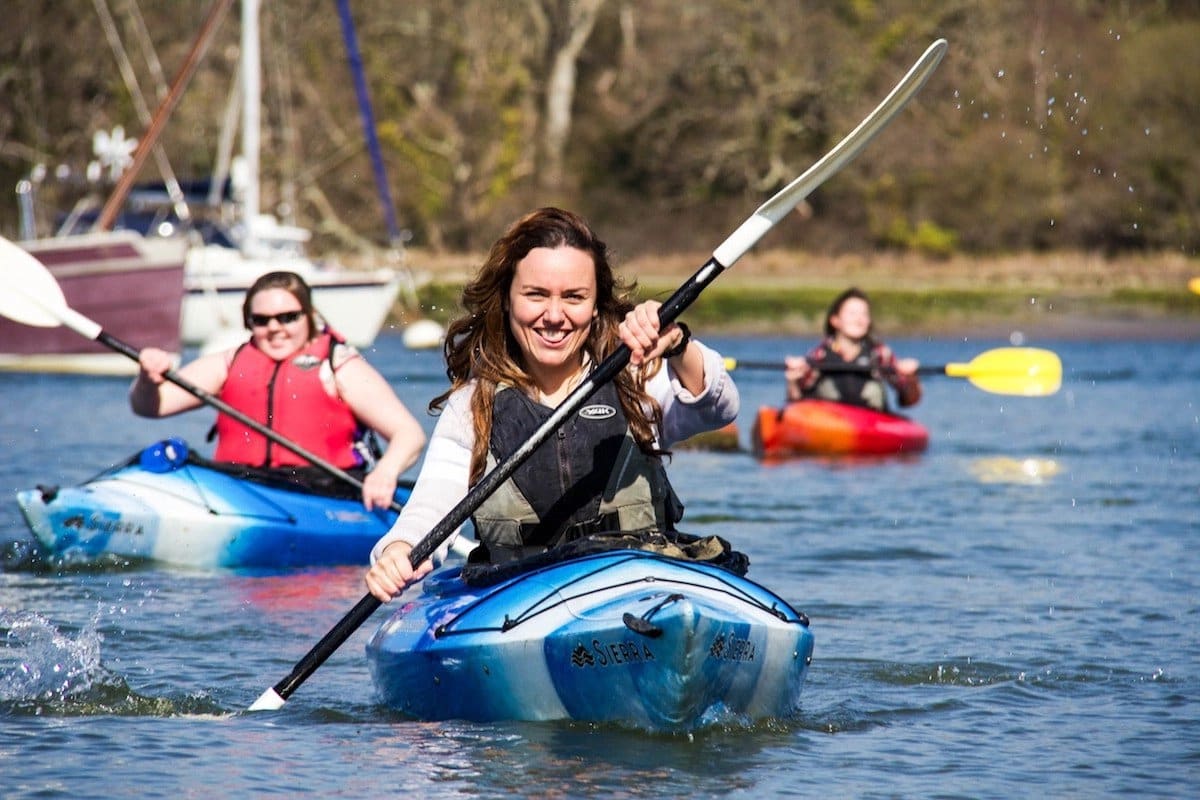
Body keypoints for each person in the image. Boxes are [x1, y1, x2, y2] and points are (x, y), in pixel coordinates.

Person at [364, 207, 739, 602]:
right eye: (536, 295)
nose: (555, 316)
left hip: (638, 596)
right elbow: (430, 506)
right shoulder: (472, 407)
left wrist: (678, 345)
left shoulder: (637, 378)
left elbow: (719, 407)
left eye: (574, 298)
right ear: (507, 300)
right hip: (519, 606)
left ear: (596, 306)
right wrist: (397, 552)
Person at [129, 270, 426, 510]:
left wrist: (385, 473)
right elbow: (152, 406)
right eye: (261, 320)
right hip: (240, 487)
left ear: (308, 315)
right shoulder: (229, 363)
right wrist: (147, 378)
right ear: (249, 322)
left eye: (288, 317)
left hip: (323, 493)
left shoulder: (339, 365)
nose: (275, 327)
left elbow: (409, 435)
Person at [783, 287, 921, 412]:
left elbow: (908, 401)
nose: (859, 319)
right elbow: (795, 401)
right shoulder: (820, 355)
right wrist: (792, 380)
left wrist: (911, 379)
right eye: (852, 313)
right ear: (835, 320)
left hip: (872, 425)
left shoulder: (879, 354)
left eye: (864, 314)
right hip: (829, 424)